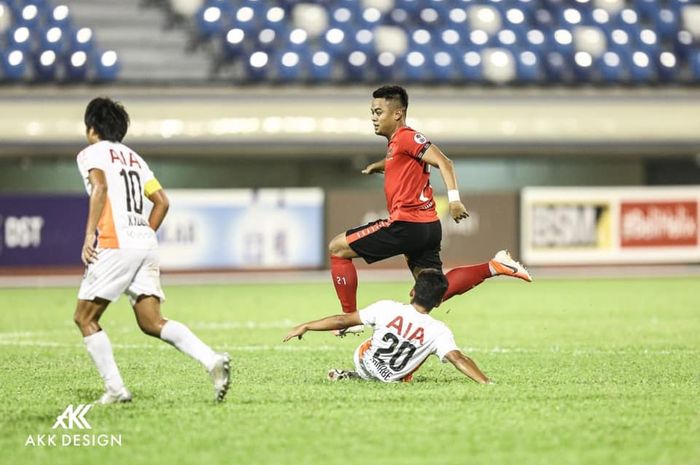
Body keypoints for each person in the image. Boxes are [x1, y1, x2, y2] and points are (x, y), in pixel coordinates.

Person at [73, 97, 231, 404]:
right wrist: (142, 234)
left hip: (115, 242)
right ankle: (212, 360)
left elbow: (101, 186)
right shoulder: (135, 158)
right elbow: (162, 201)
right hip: (144, 240)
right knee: (151, 322)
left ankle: (116, 391)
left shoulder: (91, 153)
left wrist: (90, 233)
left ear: (92, 128)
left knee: (85, 317)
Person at [328, 85, 531, 317]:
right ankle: (494, 266)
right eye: (372, 112)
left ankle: (348, 317)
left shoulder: (406, 137)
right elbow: (404, 162)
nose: (373, 117)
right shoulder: (397, 144)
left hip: (406, 224)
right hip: (428, 227)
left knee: (337, 248)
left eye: (378, 112)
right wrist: (381, 165)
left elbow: (445, 162)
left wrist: (454, 200)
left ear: (397, 113)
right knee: (430, 292)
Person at [283, 269, 490, 384]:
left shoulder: (386, 307)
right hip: (392, 378)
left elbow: (341, 320)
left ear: (412, 292)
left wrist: (307, 326)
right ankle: (373, 376)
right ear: (438, 303)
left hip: (365, 360)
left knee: (377, 336)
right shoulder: (439, 330)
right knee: (425, 350)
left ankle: (357, 376)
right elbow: (457, 359)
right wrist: (486, 383)